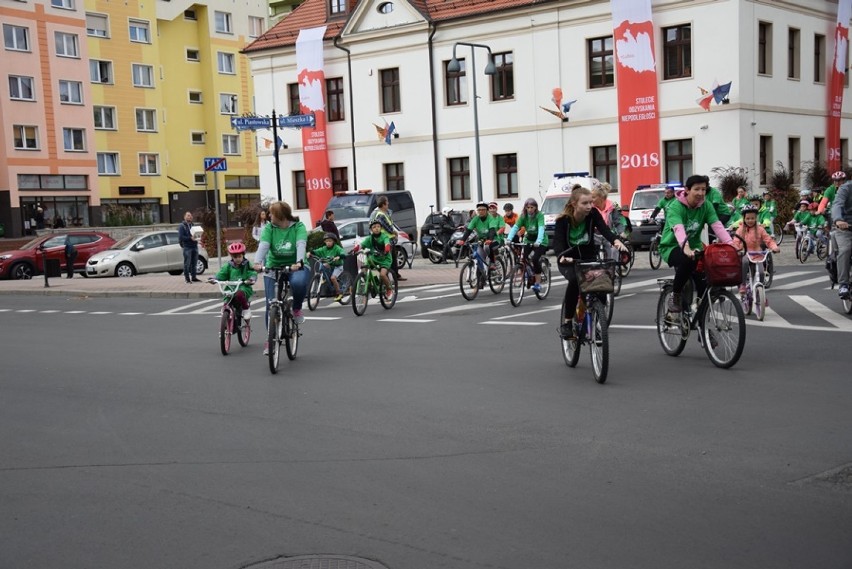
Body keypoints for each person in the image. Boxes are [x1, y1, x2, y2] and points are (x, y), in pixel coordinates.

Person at [552, 187, 627, 338]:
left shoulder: (593, 214)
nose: (589, 206)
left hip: (588, 256)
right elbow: (558, 242)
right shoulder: (563, 221)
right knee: (575, 281)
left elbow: (605, 230)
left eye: (591, 203)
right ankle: (567, 323)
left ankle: (596, 315)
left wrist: (617, 241)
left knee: (600, 285)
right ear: (574, 204)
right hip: (568, 259)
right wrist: (561, 255)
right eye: (584, 203)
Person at [659, 174, 733, 312]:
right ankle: (675, 296)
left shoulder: (706, 206)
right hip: (672, 247)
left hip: (695, 248)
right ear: (687, 190)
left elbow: (717, 226)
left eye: (703, 189)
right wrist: (685, 247)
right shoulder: (675, 206)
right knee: (688, 260)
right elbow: (678, 229)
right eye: (697, 189)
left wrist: (731, 244)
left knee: (705, 282)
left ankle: (701, 324)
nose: (701, 193)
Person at [253, 201, 310, 354]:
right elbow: (264, 245)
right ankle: (270, 340)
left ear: (280, 215)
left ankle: (297, 308)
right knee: (270, 304)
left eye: (272, 213)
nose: (269, 215)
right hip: (274, 266)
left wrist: (299, 262)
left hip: (295, 265)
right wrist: (258, 262)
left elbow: (300, 244)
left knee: (298, 283)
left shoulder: (298, 227)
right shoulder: (269, 228)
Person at [732, 204, 779, 295]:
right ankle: (743, 284)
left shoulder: (760, 229)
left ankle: (761, 292)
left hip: (757, 254)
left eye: (752, 218)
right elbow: (736, 242)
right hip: (744, 254)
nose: (750, 220)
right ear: (744, 218)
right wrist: (737, 249)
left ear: (756, 218)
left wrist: (774, 247)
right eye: (748, 218)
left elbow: (768, 240)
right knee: (745, 262)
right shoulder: (740, 230)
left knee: (761, 272)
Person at [507, 197, 548, 292]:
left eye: (532, 207)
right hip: (529, 240)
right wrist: (509, 238)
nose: (530, 209)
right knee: (523, 258)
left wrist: (538, 241)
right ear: (525, 208)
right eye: (528, 207)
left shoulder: (539, 215)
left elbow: (541, 228)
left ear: (535, 208)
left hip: (541, 241)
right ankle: (529, 274)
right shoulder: (523, 216)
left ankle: (537, 283)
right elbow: (515, 227)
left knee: (535, 258)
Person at [212, 242, 257, 320]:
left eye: (240, 256)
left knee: (239, 294)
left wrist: (251, 279)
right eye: (235, 257)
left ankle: (246, 309)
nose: (238, 259)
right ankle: (225, 315)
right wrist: (214, 279)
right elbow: (222, 273)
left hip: (243, 286)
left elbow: (252, 272)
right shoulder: (228, 265)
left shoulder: (247, 264)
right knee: (227, 298)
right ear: (232, 257)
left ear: (243, 255)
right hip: (231, 287)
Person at [354, 219, 394, 296]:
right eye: (374, 227)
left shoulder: (384, 236)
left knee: (382, 274)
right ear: (371, 229)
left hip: (385, 259)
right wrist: (355, 249)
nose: (376, 228)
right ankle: (371, 283)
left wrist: (386, 249)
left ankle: (389, 288)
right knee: (364, 269)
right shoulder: (370, 238)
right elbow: (362, 245)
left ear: (381, 228)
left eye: (378, 226)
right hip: (374, 257)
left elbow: (387, 243)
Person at [370, 196, 406, 280]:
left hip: (390, 240)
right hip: (386, 241)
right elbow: (388, 228)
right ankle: (386, 277)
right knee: (387, 260)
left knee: (393, 259)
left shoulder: (384, 213)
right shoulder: (381, 215)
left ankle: (395, 275)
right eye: (387, 202)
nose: (388, 204)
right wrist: (395, 232)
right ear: (383, 204)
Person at [308, 232, 346, 302]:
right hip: (330, 265)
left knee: (333, 278)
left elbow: (342, 252)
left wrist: (339, 256)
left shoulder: (337, 248)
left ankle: (339, 293)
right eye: (326, 241)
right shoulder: (324, 249)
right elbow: (316, 251)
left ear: (334, 241)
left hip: (337, 266)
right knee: (322, 264)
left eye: (330, 241)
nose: (328, 243)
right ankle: (324, 277)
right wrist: (310, 252)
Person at [457, 202, 498, 267]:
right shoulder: (475, 219)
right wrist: (462, 240)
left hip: (493, 239)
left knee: (487, 247)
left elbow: (492, 230)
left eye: (483, 210)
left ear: (487, 211)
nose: (481, 211)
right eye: (479, 210)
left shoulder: (491, 218)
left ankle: (492, 263)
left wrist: (490, 239)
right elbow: (469, 230)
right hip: (481, 240)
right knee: (479, 256)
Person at [831, 180, 852, 299]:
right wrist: (838, 219)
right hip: (845, 227)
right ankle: (843, 284)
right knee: (845, 249)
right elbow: (837, 204)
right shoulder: (846, 188)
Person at [178, 211, 200, 283]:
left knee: (194, 263)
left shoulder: (193, 225)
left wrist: (198, 237)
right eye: (188, 215)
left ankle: (194, 277)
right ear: (184, 217)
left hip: (194, 246)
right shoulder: (182, 226)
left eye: (190, 216)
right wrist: (190, 238)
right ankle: (187, 279)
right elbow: (181, 237)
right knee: (187, 263)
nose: (189, 217)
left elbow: (196, 235)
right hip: (187, 247)